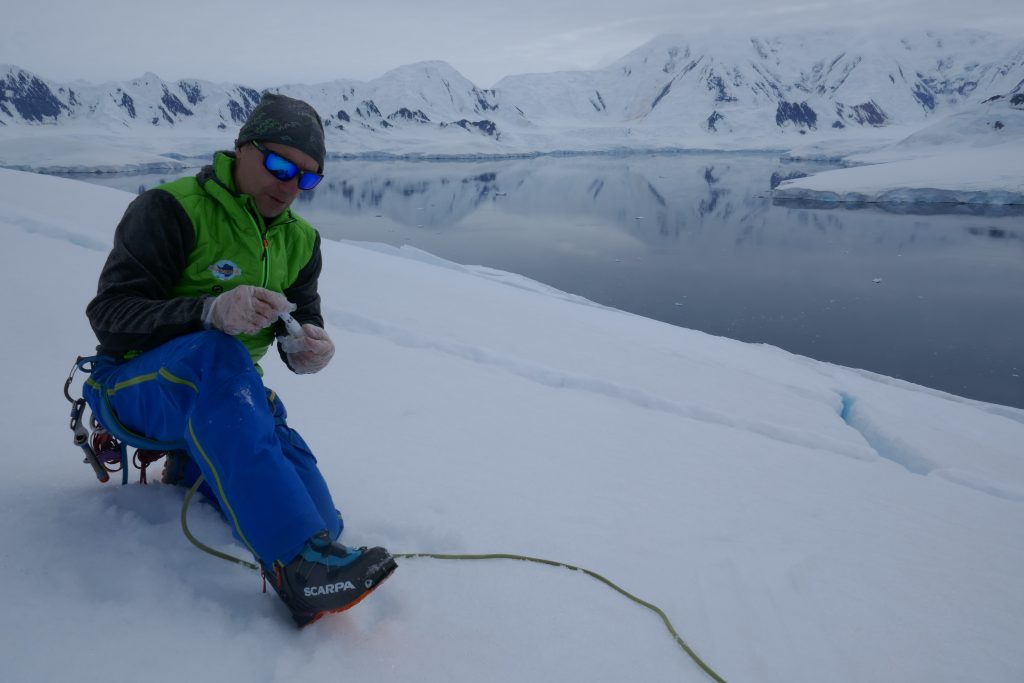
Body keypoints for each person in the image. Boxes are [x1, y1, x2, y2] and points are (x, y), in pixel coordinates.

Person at [83, 92, 396, 627]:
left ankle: (196, 467)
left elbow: (300, 320)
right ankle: (297, 572)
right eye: (279, 164)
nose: (289, 185)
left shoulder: (300, 241)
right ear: (242, 148)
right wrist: (207, 311)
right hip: (131, 388)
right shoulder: (171, 208)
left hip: (227, 395)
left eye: (307, 178)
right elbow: (108, 314)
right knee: (217, 353)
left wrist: (306, 348)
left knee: (324, 520)